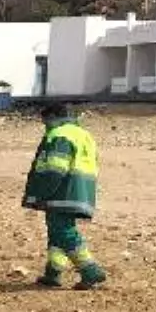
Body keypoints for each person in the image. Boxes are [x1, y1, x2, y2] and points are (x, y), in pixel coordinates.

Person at [23, 103, 107, 288]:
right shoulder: (83, 134)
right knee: (57, 231)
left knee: (64, 232)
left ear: (52, 118)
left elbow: (55, 168)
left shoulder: (59, 135)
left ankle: (90, 270)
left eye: (45, 121)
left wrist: (42, 192)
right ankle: (53, 272)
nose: (45, 126)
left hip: (63, 191)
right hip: (81, 190)